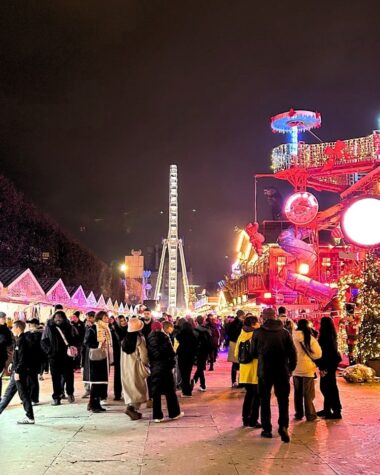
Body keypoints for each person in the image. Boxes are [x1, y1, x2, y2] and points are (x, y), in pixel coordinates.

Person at [253, 307, 297, 442]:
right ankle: (283, 426)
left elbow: (253, 353)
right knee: (283, 400)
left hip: (264, 371)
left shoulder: (258, 332)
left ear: (264, 318)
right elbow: (292, 353)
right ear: (275, 316)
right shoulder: (284, 333)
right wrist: (290, 369)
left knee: (264, 400)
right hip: (282, 371)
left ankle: (266, 429)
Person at [147, 321, 183, 422]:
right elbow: (171, 353)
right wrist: (172, 363)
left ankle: (157, 416)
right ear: (161, 328)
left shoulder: (148, 338)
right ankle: (174, 413)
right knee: (170, 391)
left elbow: (149, 354)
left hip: (154, 368)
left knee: (156, 393)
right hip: (165, 367)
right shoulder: (164, 337)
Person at [0, 320, 34, 424]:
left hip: (20, 373)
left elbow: (23, 359)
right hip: (17, 371)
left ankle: (30, 417)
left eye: (13, 327)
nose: (12, 329)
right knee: (9, 393)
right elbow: (18, 357)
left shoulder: (22, 341)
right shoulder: (19, 339)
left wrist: (18, 371)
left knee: (23, 395)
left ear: (18, 328)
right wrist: (13, 364)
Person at [41, 310, 78, 405]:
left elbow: (76, 339)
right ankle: (57, 397)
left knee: (69, 376)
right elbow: (44, 341)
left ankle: (70, 393)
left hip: (67, 357)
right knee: (55, 378)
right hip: (54, 357)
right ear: (53, 318)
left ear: (64, 318)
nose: (58, 319)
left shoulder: (69, 327)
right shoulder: (49, 328)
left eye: (60, 317)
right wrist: (50, 351)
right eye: (56, 317)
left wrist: (73, 347)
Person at [83, 311, 113, 412]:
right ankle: (93, 404)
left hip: (104, 358)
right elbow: (87, 342)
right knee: (96, 382)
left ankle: (96, 403)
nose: (107, 318)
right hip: (96, 358)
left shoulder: (106, 328)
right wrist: (99, 344)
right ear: (100, 318)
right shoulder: (93, 328)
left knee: (101, 382)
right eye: (105, 317)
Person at [293, 319, 322, 422]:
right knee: (308, 393)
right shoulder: (310, 338)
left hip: (295, 368)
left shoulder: (292, 337)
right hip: (308, 368)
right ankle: (310, 415)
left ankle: (298, 413)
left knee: (297, 392)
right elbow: (318, 354)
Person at [235, 315, 261, 428]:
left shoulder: (241, 335)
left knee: (249, 395)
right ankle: (253, 420)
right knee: (256, 397)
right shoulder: (256, 335)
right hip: (254, 370)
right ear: (253, 324)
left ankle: (245, 419)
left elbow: (236, 354)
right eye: (258, 322)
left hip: (245, 372)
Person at [121, 317, 149, 420]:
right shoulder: (139, 339)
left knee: (131, 387)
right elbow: (144, 355)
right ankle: (131, 408)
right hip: (136, 366)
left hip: (126, 367)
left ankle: (132, 409)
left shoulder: (125, 340)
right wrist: (146, 364)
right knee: (138, 386)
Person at [316, 316, 342, 419]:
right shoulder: (331, 335)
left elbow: (324, 353)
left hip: (327, 365)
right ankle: (329, 408)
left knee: (327, 387)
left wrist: (322, 367)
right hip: (331, 364)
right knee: (329, 386)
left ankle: (335, 410)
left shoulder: (325, 337)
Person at [24, 318, 44, 405]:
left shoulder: (40, 334)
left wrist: (34, 333)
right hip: (26, 360)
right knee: (27, 380)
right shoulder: (26, 334)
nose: (29, 326)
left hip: (35, 360)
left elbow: (35, 345)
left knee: (33, 380)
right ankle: (27, 397)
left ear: (35, 325)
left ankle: (34, 398)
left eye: (31, 324)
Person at [176, 320, 197, 397]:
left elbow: (177, 339)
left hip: (182, 356)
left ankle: (185, 391)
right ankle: (187, 391)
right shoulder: (193, 336)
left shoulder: (180, 335)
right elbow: (195, 346)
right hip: (190, 357)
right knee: (188, 374)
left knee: (183, 374)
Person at [192, 315, 212, 392]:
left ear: (196, 321)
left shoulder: (195, 331)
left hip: (198, 351)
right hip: (205, 351)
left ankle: (198, 382)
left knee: (200, 367)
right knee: (200, 367)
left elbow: (193, 342)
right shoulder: (207, 330)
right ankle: (200, 383)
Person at [226, 310, 244, 387]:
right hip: (237, 344)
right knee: (239, 364)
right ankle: (238, 381)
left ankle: (234, 381)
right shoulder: (240, 323)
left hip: (234, 343)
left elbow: (229, 334)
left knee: (235, 364)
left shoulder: (232, 323)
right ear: (241, 315)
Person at [112, 315, 128, 401]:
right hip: (118, 355)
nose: (124, 322)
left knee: (127, 375)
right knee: (118, 375)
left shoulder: (129, 329)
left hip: (127, 355)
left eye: (124, 320)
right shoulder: (115, 331)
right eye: (121, 321)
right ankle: (117, 393)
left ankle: (127, 393)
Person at [81, 311, 95, 398]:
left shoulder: (96, 326)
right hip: (85, 351)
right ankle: (87, 389)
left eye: (90, 317)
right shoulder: (84, 326)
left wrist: (91, 328)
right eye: (87, 317)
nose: (88, 319)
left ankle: (93, 390)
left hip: (93, 351)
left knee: (93, 370)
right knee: (85, 370)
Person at [0, 311, 13, 400]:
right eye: (3, 318)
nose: (5, 320)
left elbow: (8, 341)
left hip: (1, 355)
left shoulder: (6, 329)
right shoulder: (5, 329)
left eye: (5, 318)